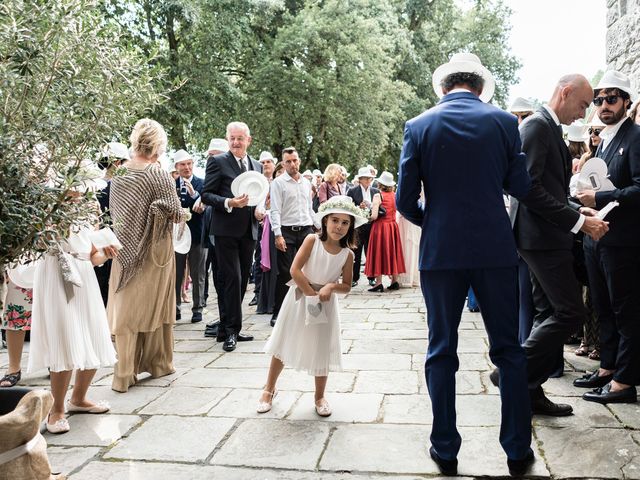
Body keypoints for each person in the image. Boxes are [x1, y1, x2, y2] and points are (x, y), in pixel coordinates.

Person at [396, 52, 534, 476]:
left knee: (441, 351)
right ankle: (516, 450)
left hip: (441, 252)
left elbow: (404, 201)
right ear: (479, 87)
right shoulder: (506, 123)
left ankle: (446, 449)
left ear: (443, 87)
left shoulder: (418, 126)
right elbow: (520, 186)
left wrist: (435, 221)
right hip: (494, 248)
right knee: (508, 350)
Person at [503, 74, 610, 415]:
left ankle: (530, 391)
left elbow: (551, 191)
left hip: (544, 236)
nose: (584, 114)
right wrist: (580, 223)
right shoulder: (536, 127)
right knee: (570, 312)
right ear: (565, 92)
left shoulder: (546, 128)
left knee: (548, 312)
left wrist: (580, 207)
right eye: (582, 104)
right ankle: (510, 371)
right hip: (540, 239)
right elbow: (528, 189)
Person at [256, 195, 365, 416]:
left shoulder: (348, 254)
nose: (339, 226)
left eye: (345, 223)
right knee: (284, 341)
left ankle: (319, 396)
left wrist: (330, 287)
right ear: (325, 220)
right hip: (300, 296)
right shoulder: (312, 241)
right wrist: (310, 293)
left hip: (324, 303)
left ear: (351, 227)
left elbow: (347, 285)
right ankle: (269, 389)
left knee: (321, 346)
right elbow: (295, 270)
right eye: (335, 220)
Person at [573, 70, 640, 404]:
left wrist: (596, 200)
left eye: (611, 98)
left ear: (626, 101)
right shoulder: (605, 141)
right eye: (598, 100)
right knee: (603, 308)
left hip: (624, 241)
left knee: (625, 309)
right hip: (597, 237)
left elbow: (639, 189)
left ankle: (625, 382)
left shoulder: (636, 137)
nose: (603, 105)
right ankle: (608, 368)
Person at [108, 118, 184, 392]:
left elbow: (115, 212)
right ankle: (158, 363)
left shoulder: (119, 173)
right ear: (158, 145)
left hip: (123, 247)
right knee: (156, 306)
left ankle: (124, 372)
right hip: (153, 249)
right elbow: (176, 212)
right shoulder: (156, 173)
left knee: (125, 307)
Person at [28, 225, 118, 433]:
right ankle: (56, 409)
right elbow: (38, 244)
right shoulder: (52, 200)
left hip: (84, 274)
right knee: (64, 336)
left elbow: (93, 256)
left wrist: (106, 253)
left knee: (94, 334)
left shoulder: (89, 204)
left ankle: (78, 398)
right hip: (55, 271)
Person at [201, 121, 261, 352]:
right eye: (232, 138)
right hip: (225, 230)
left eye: (240, 138)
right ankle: (231, 332)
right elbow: (206, 194)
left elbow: (258, 196)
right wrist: (229, 203)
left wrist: (259, 209)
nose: (236, 142)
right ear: (228, 139)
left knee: (243, 280)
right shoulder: (217, 162)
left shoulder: (255, 166)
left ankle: (228, 327)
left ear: (248, 140)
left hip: (249, 230)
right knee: (232, 279)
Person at [269, 147, 318, 327]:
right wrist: (278, 235)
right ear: (283, 163)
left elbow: (309, 209)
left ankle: (309, 309)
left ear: (299, 160)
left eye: (295, 160)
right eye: (288, 161)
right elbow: (275, 211)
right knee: (285, 273)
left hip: (306, 230)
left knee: (309, 271)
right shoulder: (278, 183)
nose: (292, 164)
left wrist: (319, 228)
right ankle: (278, 313)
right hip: (286, 231)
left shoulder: (306, 183)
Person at [173, 149, 207, 323]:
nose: (186, 167)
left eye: (189, 164)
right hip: (177, 238)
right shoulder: (171, 185)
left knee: (198, 273)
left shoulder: (202, 183)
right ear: (176, 167)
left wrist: (195, 196)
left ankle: (198, 308)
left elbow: (206, 205)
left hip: (197, 235)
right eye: (182, 164)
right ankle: (176, 307)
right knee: (176, 273)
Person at [94, 141, 130, 306]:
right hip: (114, 241)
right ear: (117, 163)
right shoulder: (116, 186)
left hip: (97, 240)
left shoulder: (94, 185)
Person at [203, 138, 229, 339]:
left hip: (224, 233)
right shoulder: (214, 172)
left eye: (213, 155)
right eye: (208, 156)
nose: (209, 159)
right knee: (218, 278)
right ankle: (223, 319)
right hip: (212, 232)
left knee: (224, 278)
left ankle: (227, 321)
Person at [365, 171, 405, 292]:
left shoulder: (378, 196)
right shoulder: (395, 195)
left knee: (379, 252)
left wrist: (366, 216)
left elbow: (374, 216)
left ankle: (378, 283)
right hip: (392, 226)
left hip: (380, 227)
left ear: (380, 183)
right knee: (392, 251)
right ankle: (394, 281)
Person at [347, 166, 382, 287]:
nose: (368, 180)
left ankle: (371, 278)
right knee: (356, 252)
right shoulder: (352, 190)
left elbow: (381, 209)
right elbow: (349, 208)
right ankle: (354, 278)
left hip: (372, 225)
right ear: (360, 179)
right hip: (358, 225)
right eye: (366, 178)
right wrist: (358, 207)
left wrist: (372, 207)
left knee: (370, 252)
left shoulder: (375, 191)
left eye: (370, 178)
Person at [0, 281, 32, 388]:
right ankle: (14, 367)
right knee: (16, 305)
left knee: (51, 312)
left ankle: (53, 362)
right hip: (17, 269)